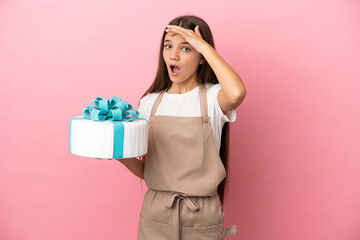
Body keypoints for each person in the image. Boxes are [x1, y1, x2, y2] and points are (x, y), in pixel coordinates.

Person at [116, 14, 246, 240]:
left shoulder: (213, 98)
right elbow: (147, 169)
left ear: (202, 56)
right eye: (168, 46)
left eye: (186, 49)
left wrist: (203, 46)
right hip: (156, 215)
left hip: (202, 216)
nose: (173, 55)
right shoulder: (149, 103)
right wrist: (115, 151)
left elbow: (237, 93)